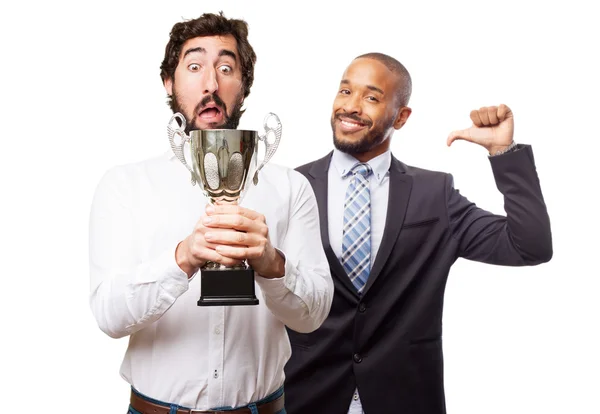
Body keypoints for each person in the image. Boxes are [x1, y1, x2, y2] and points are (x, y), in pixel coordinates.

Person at [89, 12, 333, 414]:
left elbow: (314, 316)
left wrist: (272, 264)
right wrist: (182, 258)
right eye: (195, 66)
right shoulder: (125, 186)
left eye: (225, 68)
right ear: (169, 82)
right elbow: (110, 316)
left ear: (244, 86)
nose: (211, 84)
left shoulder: (291, 188)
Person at [284, 53, 552, 414]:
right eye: (345, 91)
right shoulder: (291, 187)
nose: (350, 106)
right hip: (307, 399)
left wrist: (503, 152)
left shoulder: (434, 194)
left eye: (371, 97)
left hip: (405, 399)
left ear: (401, 116)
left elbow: (529, 246)